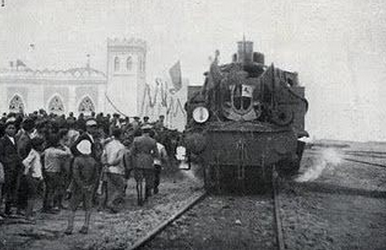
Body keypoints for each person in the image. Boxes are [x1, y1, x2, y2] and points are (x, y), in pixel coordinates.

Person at [65, 140, 98, 235]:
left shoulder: (77, 160)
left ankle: (70, 227)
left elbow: (75, 175)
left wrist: (81, 185)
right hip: (89, 187)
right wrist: (91, 186)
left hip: (78, 187)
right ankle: (86, 226)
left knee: (72, 208)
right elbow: (96, 176)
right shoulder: (93, 161)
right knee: (88, 207)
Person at [100, 128, 127, 213]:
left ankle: (109, 205)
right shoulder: (121, 146)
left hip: (107, 169)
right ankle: (110, 203)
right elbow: (119, 159)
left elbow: (103, 156)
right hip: (117, 169)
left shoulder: (108, 145)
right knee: (120, 187)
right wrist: (111, 164)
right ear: (120, 135)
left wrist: (105, 164)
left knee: (110, 188)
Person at [43, 134, 72, 213]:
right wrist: (65, 146)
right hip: (55, 172)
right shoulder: (56, 151)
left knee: (48, 190)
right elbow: (68, 153)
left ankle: (46, 206)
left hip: (47, 171)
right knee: (54, 189)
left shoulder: (47, 150)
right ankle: (52, 206)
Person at [131, 124, 159, 203]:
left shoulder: (136, 140)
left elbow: (132, 152)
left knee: (139, 181)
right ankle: (146, 197)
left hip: (138, 161)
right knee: (148, 180)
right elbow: (156, 154)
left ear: (142, 131)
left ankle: (139, 197)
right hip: (148, 161)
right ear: (149, 131)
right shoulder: (152, 141)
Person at [0, 117, 22, 216]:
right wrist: (7, 163)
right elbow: (1, 155)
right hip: (7, 168)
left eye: (13, 128)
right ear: (5, 129)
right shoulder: (3, 140)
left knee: (11, 189)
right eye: (9, 128)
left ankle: (7, 210)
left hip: (15, 168)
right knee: (4, 190)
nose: (12, 130)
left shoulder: (15, 140)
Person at [21, 137, 44, 221]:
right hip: (33, 177)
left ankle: (29, 213)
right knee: (31, 197)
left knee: (33, 196)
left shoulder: (36, 153)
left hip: (36, 176)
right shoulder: (33, 153)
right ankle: (28, 215)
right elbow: (25, 162)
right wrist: (28, 172)